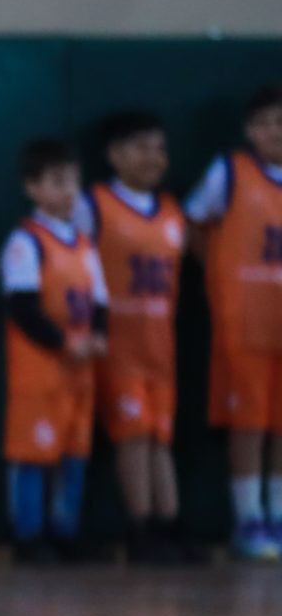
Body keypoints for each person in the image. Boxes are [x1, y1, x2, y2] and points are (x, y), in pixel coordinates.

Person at [75, 111, 195, 563]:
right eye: (142, 147)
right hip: (116, 343)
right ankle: (139, 527)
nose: (154, 157)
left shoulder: (171, 212)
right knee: (133, 435)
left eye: (160, 147)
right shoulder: (95, 204)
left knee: (161, 436)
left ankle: (170, 524)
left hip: (160, 344)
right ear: (115, 154)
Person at [183, 85, 282, 562]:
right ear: (249, 131)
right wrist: (219, 271)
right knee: (249, 423)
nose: (275, 131)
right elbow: (192, 223)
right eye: (265, 123)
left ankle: (277, 514)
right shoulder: (230, 172)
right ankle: (248, 518)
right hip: (245, 322)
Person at [1, 140, 109, 564]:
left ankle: (66, 533)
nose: (68, 191)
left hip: (81, 373)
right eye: (56, 182)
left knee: (74, 455)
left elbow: (99, 301)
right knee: (32, 455)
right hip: (41, 373)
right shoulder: (26, 242)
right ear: (32, 188)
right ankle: (28, 538)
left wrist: (98, 336)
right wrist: (66, 344)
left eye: (73, 181)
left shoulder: (84, 243)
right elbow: (22, 308)